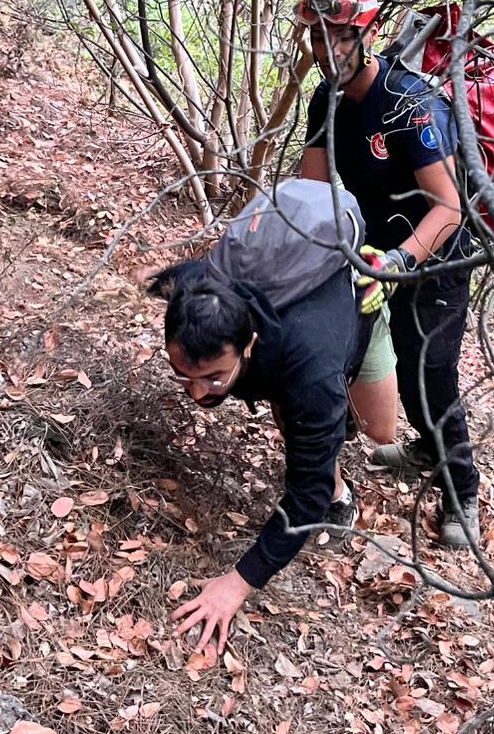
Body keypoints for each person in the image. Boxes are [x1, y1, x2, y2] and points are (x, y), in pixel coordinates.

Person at [151, 178, 399, 655]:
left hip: (355, 307)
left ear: (248, 344)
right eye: (184, 376)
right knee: (298, 413)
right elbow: (173, 277)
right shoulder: (201, 292)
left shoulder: (311, 373)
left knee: (378, 430)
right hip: (290, 352)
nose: (196, 394)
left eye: (212, 378)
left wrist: (237, 583)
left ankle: (334, 431)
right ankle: (335, 476)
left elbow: (305, 495)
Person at [295, 0, 481, 549]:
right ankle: (353, 463)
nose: (329, 49)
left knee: (431, 375)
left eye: (340, 36)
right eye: (319, 37)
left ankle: (461, 489)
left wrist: (400, 262)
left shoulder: (411, 104)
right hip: (369, 254)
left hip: (433, 259)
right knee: (339, 351)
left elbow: (448, 207)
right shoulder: (326, 99)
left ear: (368, 34)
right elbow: (310, 191)